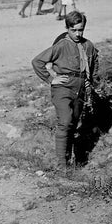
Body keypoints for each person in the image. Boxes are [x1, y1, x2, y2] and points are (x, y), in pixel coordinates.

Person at [31, 11, 99, 172]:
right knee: (65, 121)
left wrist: (91, 83)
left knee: (74, 123)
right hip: (63, 87)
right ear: (67, 28)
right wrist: (51, 79)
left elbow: (94, 64)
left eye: (80, 30)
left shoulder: (88, 45)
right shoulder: (62, 45)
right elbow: (37, 61)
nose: (77, 33)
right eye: (73, 30)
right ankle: (61, 164)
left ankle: (72, 157)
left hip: (80, 88)